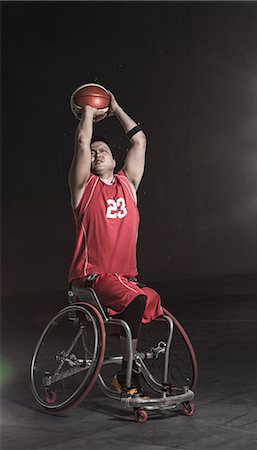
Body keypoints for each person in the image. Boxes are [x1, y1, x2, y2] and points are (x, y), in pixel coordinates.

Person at [68, 91, 164, 396]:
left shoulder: (128, 184)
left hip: (125, 279)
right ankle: (128, 375)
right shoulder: (83, 188)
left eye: (103, 151)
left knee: (148, 298)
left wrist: (117, 107)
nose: (96, 154)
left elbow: (140, 141)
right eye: (94, 152)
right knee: (135, 301)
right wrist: (88, 112)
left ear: (114, 158)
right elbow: (83, 143)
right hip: (93, 278)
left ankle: (127, 371)